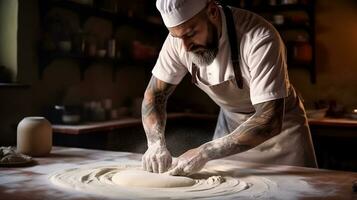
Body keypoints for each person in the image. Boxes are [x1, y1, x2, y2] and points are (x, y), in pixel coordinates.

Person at [141, 0, 318, 176]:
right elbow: (154, 95)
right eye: (178, 37)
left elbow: (269, 119)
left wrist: (206, 152)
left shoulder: (260, 37)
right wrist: (155, 143)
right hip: (230, 131)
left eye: (191, 33)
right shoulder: (179, 40)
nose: (186, 47)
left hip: (282, 135)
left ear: (212, 11)